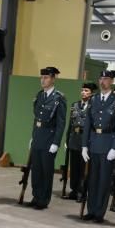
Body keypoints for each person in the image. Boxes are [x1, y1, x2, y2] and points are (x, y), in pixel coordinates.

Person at [81, 70, 115, 222]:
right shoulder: (93, 99)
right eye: (101, 78)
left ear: (111, 81)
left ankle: (99, 212)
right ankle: (91, 210)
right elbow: (88, 123)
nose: (102, 81)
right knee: (92, 180)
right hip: (94, 142)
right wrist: (84, 145)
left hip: (107, 144)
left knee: (104, 181)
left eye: (106, 79)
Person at [26, 66, 67, 209]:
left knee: (46, 171)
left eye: (46, 77)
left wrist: (56, 142)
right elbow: (36, 119)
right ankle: (36, 197)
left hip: (49, 140)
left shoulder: (59, 98)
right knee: (36, 170)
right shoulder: (39, 96)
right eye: (42, 77)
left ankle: (43, 200)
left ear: (53, 79)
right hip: (38, 137)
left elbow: (61, 123)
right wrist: (33, 137)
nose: (43, 80)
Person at [65, 82, 96, 201]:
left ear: (92, 93)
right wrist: (67, 139)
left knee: (84, 168)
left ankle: (82, 191)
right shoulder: (75, 105)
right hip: (75, 138)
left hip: (85, 140)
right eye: (82, 90)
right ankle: (73, 189)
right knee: (74, 167)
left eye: (87, 90)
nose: (83, 92)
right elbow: (70, 124)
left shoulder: (93, 106)